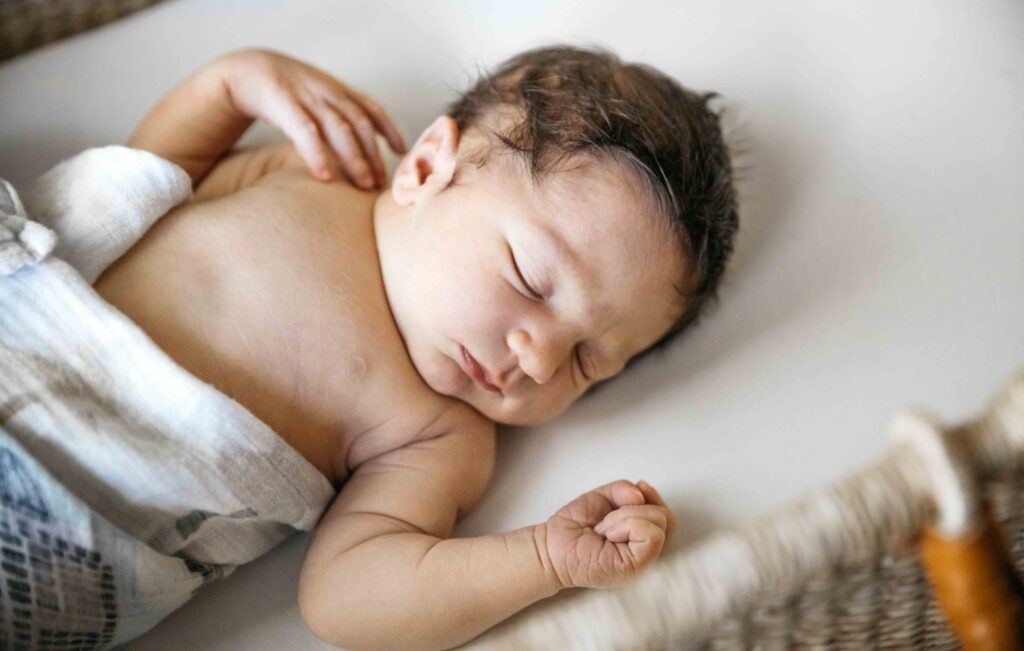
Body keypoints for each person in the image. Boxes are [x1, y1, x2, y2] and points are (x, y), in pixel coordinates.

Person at [88, 45, 736, 650]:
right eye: (532, 280)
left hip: (77, 514)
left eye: (586, 360)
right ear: (427, 167)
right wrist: (230, 84)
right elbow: (130, 194)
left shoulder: (441, 433)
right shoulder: (309, 174)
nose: (538, 360)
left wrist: (546, 558)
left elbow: (345, 594)